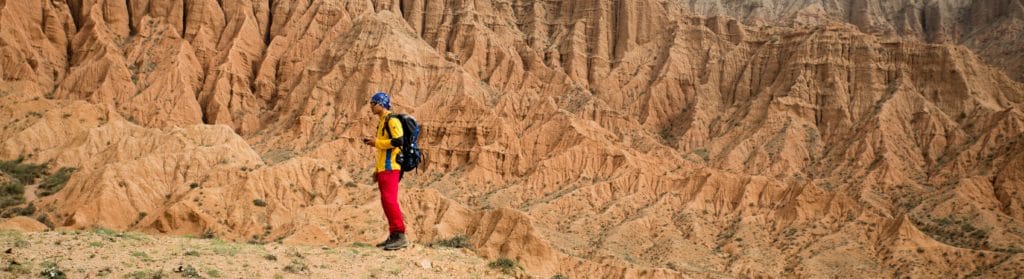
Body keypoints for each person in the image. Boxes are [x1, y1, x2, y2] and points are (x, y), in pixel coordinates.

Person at [361, 92, 408, 250]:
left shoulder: (392, 120)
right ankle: (393, 235)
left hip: (391, 167)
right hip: (383, 168)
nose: (371, 107)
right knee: (385, 202)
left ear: (381, 104)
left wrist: (377, 142)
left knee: (390, 200)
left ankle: (400, 235)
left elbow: (399, 141)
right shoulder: (381, 122)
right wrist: (376, 170)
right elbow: (381, 150)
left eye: (373, 103)